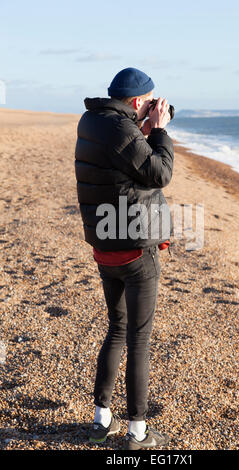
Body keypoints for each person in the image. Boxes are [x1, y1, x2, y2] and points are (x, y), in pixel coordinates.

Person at [74, 67, 174, 449]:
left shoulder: (93, 121)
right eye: (149, 103)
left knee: (117, 328)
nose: (153, 108)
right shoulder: (121, 129)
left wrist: (144, 132)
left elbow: (120, 166)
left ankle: (101, 421)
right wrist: (160, 131)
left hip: (105, 247)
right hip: (136, 249)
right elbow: (159, 172)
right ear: (137, 102)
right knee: (139, 339)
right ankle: (137, 431)